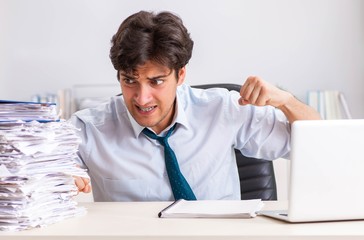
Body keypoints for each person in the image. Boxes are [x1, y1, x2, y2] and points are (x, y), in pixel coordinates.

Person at [71, 10, 320, 201]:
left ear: (180, 76)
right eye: (129, 81)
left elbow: (318, 146)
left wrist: (287, 102)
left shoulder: (224, 109)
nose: (142, 98)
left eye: (156, 81)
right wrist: (52, 177)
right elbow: (39, 170)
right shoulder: (89, 128)